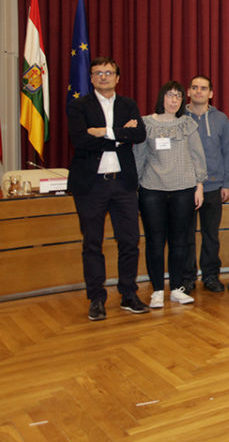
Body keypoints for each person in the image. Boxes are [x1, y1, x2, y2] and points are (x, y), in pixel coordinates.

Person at [67, 56, 149, 320]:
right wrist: (120, 135)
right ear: (91, 78)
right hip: (91, 186)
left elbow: (139, 135)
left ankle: (128, 294)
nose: (103, 77)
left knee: (130, 241)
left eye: (108, 72)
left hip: (123, 184)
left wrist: (103, 131)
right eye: (98, 73)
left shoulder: (128, 104)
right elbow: (80, 140)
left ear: (117, 78)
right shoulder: (79, 105)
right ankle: (96, 298)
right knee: (92, 243)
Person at [134, 81, 207, 308]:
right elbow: (139, 157)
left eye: (178, 96)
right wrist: (134, 187)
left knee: (180, 242)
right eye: (169, 95)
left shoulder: (188, 124)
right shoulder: (146, 124)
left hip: (183, 190)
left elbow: (197, 156)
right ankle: (157, 290)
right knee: (155, 241)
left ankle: (176, 288)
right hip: (152, 190)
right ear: (161, 98)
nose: (174, 100)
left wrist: (199, 186)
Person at [184, 75, 229, 293]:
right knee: (185, 235)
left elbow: (228, 152)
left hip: (213, 186)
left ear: (211, 93)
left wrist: (226, 183)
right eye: (195, 87)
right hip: (185, 187)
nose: (199, 91)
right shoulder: (179, 117)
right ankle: (187, 278)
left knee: (211, 235)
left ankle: (211, 275)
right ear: (188, 92)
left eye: (203, 88)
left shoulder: (221, 119)